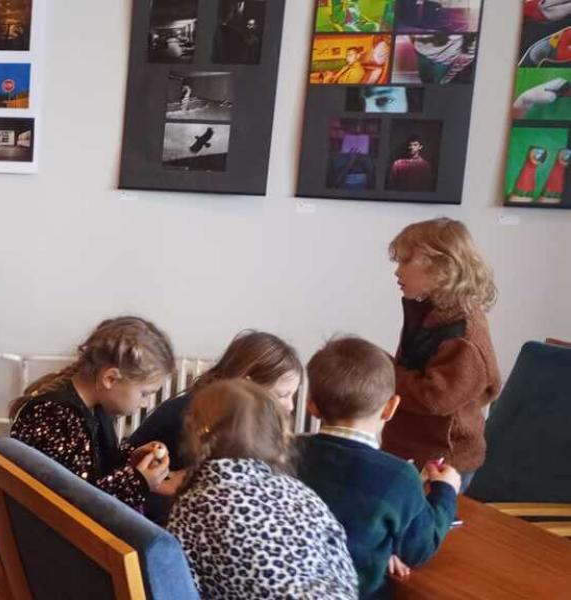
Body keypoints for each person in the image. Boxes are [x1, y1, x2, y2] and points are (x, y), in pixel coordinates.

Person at [297, 336, 460, 599]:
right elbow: (419, 550)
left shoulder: (287, 452)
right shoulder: (399, 477)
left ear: (311, 405)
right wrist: (445, 492)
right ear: (390, 408)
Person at [167, 380, 358, 599]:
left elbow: (177, 584)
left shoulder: (194, 505)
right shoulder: (302, 493)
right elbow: (342, 570)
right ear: (277, 438)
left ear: (196, 435)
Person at [126, 330, 301, 520]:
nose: (290, 406)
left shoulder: (234, 420)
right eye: (283, 395)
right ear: (248, 386)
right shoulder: (195, 416)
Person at [382, 218, 500, 491]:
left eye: (405, 262)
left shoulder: (464, 334)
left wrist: (384, 372)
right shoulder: (427, 312)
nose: (397, 271)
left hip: (441, 460)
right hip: (409, 447)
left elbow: (435, 398)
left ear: (441, 268)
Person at [9, 317, 176, 509]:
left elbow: (91, 467)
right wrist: (138, 483)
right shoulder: (56, 416)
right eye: (144, 394)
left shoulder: (94, 408)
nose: (145, 403)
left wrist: (130, 459)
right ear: (110, 378)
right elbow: (78, 504)